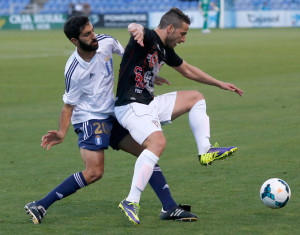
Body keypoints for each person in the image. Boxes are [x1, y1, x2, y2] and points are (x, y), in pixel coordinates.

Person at [24, 15, 198, 225]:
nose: (94, 36)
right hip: (90, 118)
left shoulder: (106, 42)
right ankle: (41, 204)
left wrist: (146, 72)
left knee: (148, 153)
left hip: (113, 112)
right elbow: (68, 107)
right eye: (87, 34)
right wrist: (61, 133)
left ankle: (169, 207)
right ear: (74, 41)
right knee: (94, 172)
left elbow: (132, 56)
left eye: (92, 30)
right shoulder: (74, 70)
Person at [114, 7, 244, 225]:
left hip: (148, 103)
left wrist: (219, 83)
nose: (184, 39)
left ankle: (205, 150)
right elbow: (136, 29)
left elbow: (188, 70)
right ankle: (131, 200)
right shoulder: (148, 37)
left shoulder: (164, 50)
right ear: (170, 28)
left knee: (195, 98)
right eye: (183, 34)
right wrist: (134, 27)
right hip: (130, 106)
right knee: (157, 142)